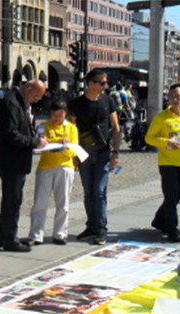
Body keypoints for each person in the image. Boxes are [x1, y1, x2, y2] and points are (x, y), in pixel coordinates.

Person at [0, 80, 48, 252]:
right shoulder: (12, 102)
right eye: (35, 96)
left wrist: (36, 136)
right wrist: (34, 142)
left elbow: (25, 126)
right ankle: (10, 239)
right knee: (13, 200)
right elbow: (11, 133)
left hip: (17, 158)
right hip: (11, 159)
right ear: (29, 89)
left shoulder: (22, 102)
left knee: (11, 198)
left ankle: (4, 235)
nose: (36, 101)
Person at [68, 69, 120, 245]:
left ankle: (101, 229)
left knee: (99, 191)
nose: (106, 85)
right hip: (84, 154)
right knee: (88, 192)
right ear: (91, 84)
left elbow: (115, 127)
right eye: (102, 82)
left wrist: (115, 151)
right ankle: (91, 226)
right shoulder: (76, 104)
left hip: (103, 152)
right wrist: (73, 154)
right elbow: (71, 130)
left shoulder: (108, 101)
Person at [27, 99, 79, 246]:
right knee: (40, 202)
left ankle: (60, 234)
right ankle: (36, 234)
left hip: (65, 166)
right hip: (46, 166)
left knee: (63, 202)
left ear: (65, 114)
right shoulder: (43, 126)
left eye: (60, 114)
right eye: (54, 114)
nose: (56, 118)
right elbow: (39, 144)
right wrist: (55, 142)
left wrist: (63, 144)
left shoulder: (71, 128)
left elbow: (73, 149)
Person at [146, 83, 180, 242]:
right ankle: (172, 230)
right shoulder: (161, 118)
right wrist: (167, 142)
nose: (175, 100)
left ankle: (159, 220)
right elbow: (149, 138)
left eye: (178, 96)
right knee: (171, 196)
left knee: (175, 197)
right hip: (168, 163)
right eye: (172, 97)